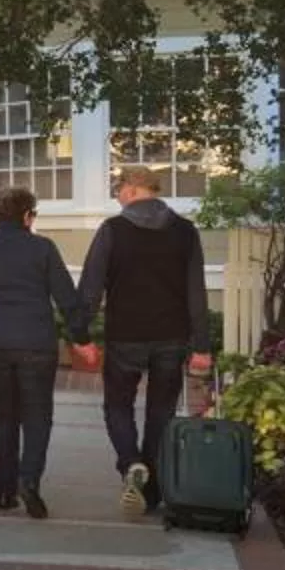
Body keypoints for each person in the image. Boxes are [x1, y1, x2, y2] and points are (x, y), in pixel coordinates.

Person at [78, 164, 211, 515]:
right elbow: (196, 292)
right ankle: (151, 492)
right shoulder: (185, 232)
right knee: (161, 413)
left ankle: (130, 463)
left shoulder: (113, 230)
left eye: (120, 187)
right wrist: (202, 346)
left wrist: (80, 334)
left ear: (136, 189)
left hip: (126, 336)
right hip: (172, 336)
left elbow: (91, 287)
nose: (117, 194)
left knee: (117, 406)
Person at [0, 185, 81, 518]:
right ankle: (31, 482)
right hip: (37, 343)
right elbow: (66, 296)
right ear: (27, 216)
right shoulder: (43, 248)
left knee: (5, 416)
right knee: (38, 417)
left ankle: (4, 491)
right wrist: (80, 335)